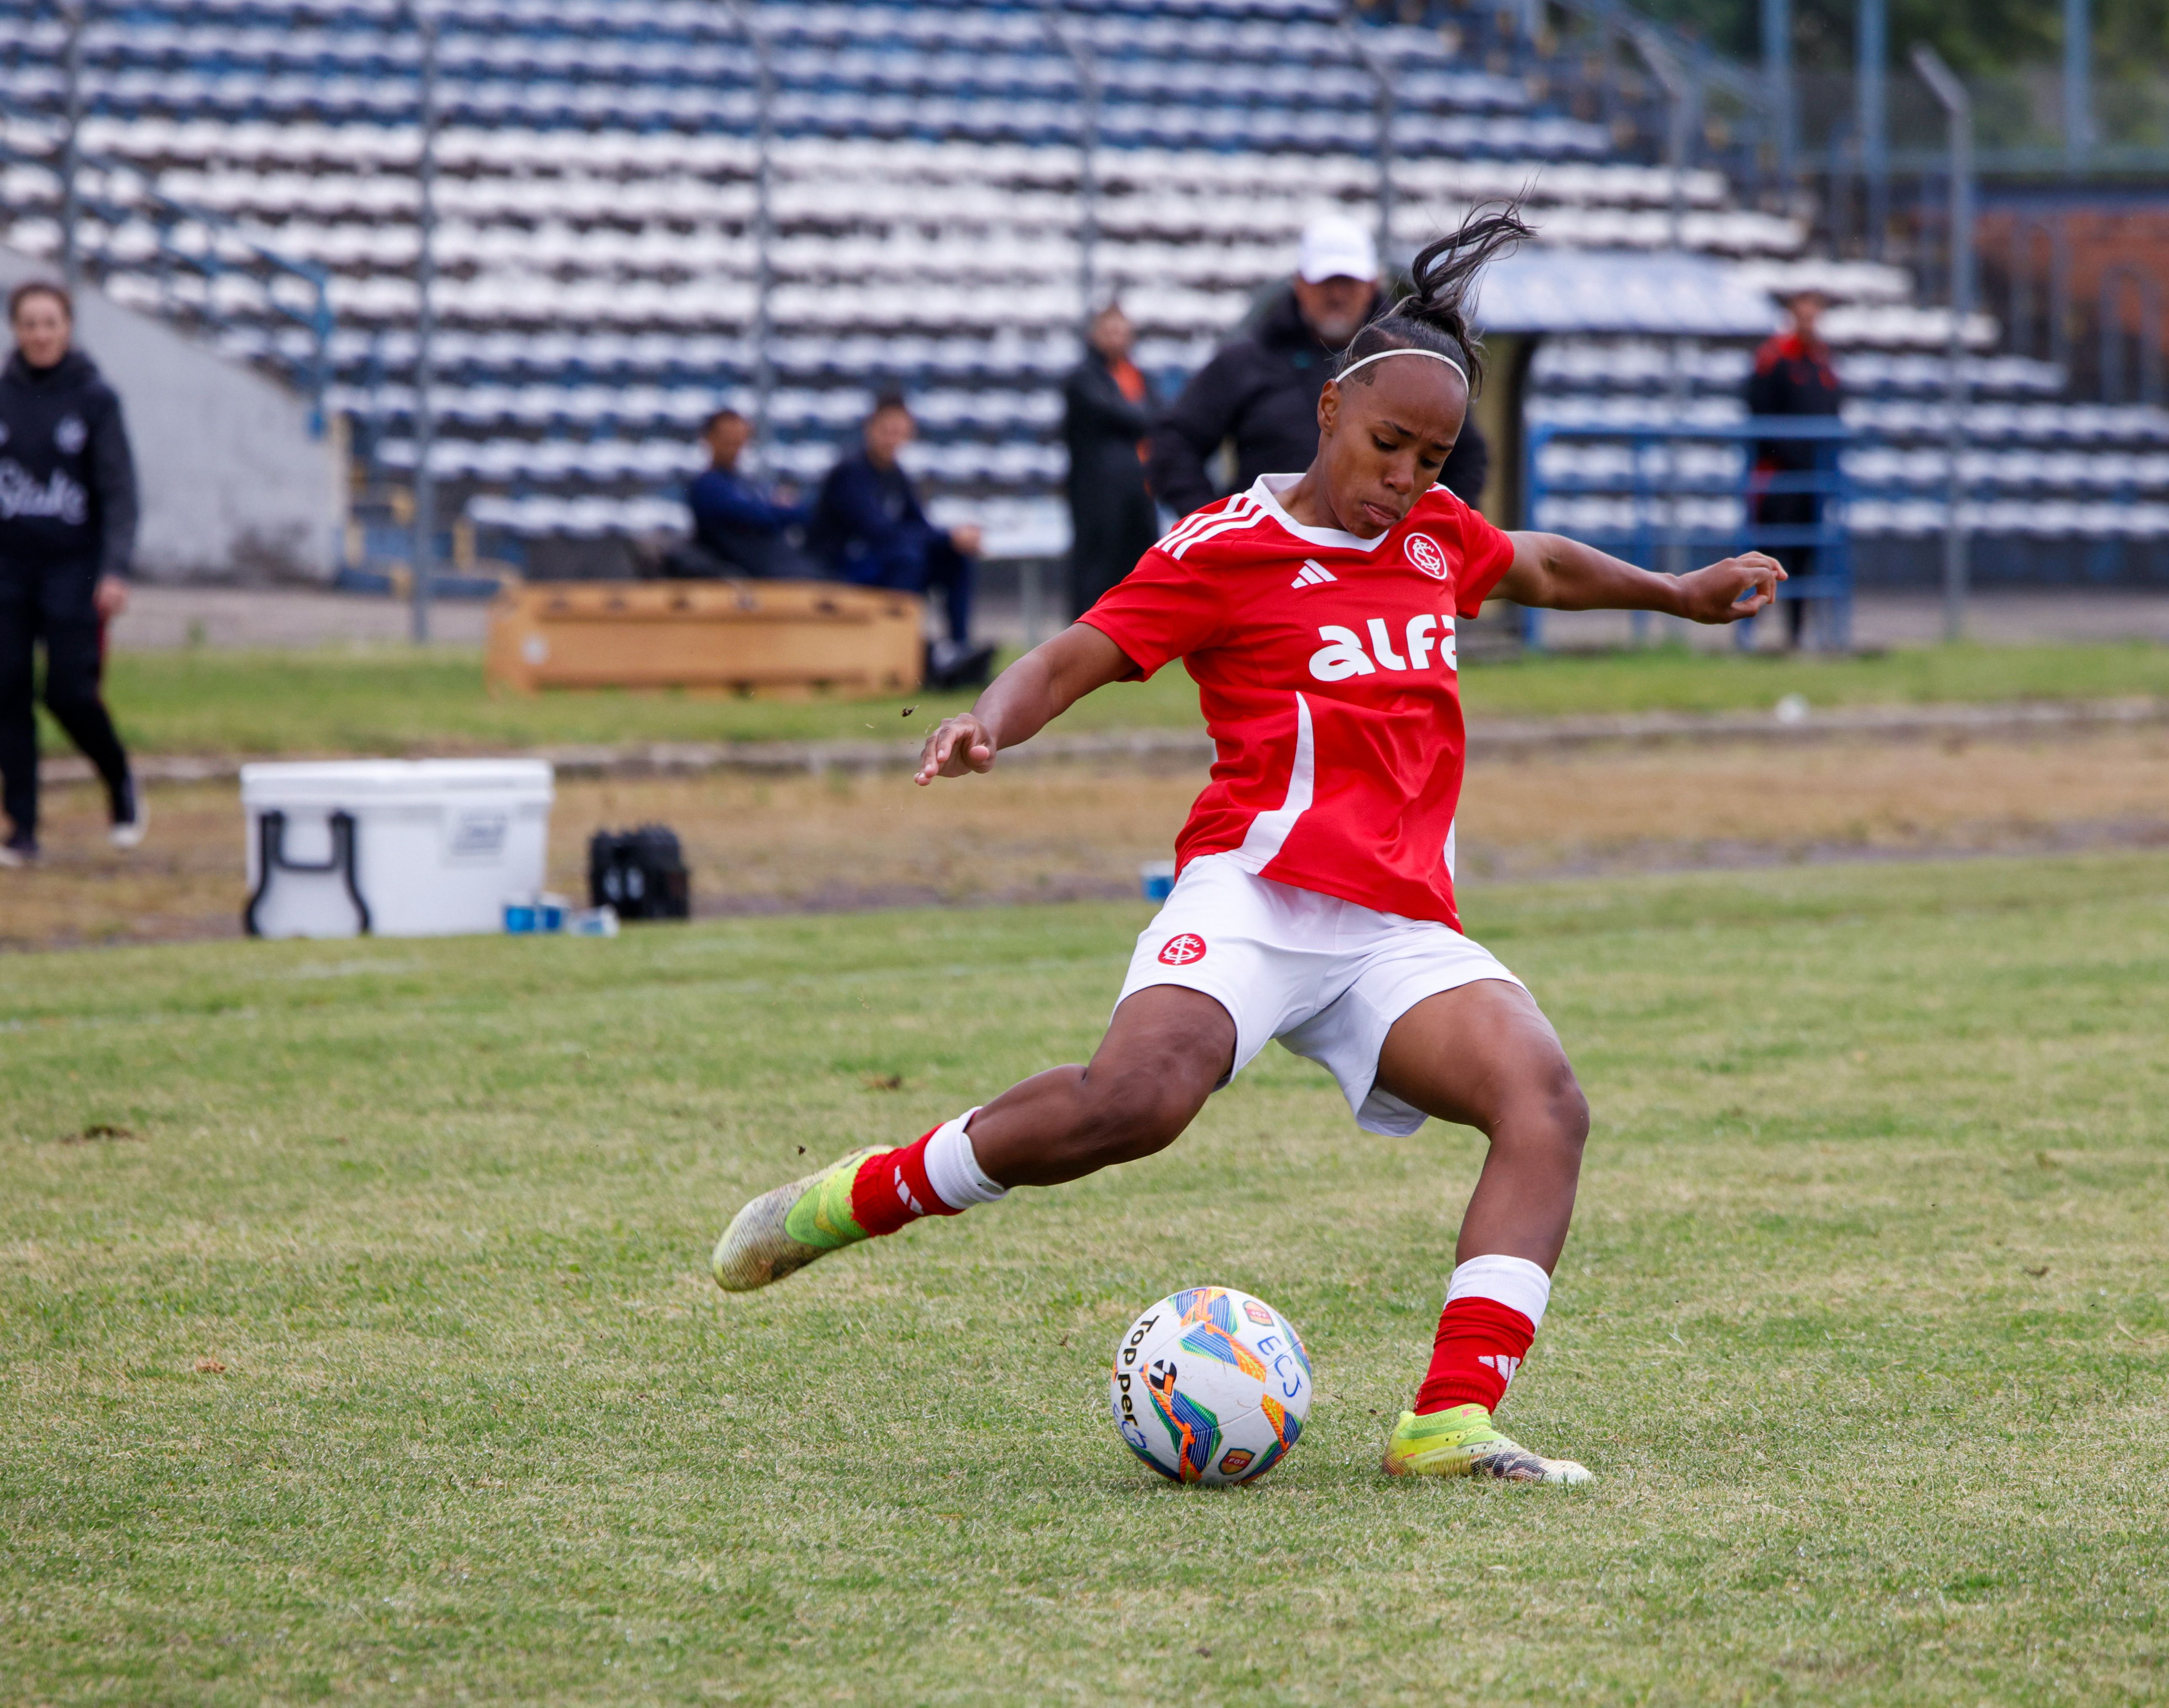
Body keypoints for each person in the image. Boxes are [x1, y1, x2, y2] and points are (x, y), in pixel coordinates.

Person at [709, 208, 1785, 1485]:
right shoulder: (1227, 547)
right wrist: (987, 720)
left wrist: (1675, 592)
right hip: (1255, 894)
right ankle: (855, 1196)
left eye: (1434, 458)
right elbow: (1075, 653)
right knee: (1135, 1104)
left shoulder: (1436, 536)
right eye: (1388, 444)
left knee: (1543, 1101)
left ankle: (1447, 1421)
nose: (1407, 477)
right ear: (1328, 412)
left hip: (1394, 926)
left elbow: (1536, 560)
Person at [1148, 213, 1489, 519]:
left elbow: (1466, 455)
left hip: (1375, 555)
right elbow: (1174, 442)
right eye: (1326, 282)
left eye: (1349, 282)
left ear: (1373, 285)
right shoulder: (1245, 361)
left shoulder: (1417, 366)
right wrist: (1213, 521)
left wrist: (1427, 531)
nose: (1337, 295)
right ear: (1299, 284)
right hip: (1268, 559)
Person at [0, 281, 142, 867]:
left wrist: (113, 569)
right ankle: (24, 826)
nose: (39, 333)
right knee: (7, 691)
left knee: (68, 693)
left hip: (74, 569)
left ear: (67, 327)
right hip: (8, 568)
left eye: (49, 322)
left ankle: (120, 780)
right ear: (16, 328)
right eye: (29, 323)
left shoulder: (94, 398)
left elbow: (118, 490)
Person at [808, 393, 994, 689]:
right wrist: (948, 535)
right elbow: (877, 531)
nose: (892, 438)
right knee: (909, 556)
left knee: (954, 557)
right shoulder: (850, 473)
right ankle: (903, 654)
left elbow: (916, 525)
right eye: (886, 430)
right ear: (870, 429)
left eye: (899, 431)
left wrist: (954, 540)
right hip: (841, 568)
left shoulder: (896, 475)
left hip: (882, 563)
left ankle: (957, 649)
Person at [1744, 286, 1843, 650]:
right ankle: (1749, 630)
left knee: (1805, 558)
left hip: (1812, 479)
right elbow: (1759, 415)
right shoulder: (1773, 358)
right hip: (1776, 478)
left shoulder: (1822, 361)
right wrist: (1791, 454)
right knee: (1765, 556)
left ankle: (1796, 636)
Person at [1061, 302, 1159, 618]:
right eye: (1109, 331)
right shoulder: (1083, 378)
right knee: (1096, 567)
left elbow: (1158, 415)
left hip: (1139, 488)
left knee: (1139, 565)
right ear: (1094, 334)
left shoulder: (1137, 376)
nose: (1116, 338)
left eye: (1121, 331)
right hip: (1097, 492)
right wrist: (1142, 415)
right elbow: (1131, 416)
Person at [681, 409, 813, 579]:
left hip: (776, 566)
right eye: (726, 439)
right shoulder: (708, 485)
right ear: (709, 439)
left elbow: (796, 512)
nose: (733, 446)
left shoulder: (748, 484)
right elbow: (758, 515)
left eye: (738, 439)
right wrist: (778, 509)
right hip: (745, 573)